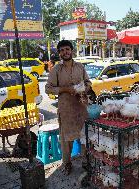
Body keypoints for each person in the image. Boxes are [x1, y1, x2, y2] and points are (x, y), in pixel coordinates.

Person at [45, 40, 91, 175]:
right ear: (59, 53)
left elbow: (88, 82)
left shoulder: (80, 67)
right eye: (62, 50)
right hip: (66, 110)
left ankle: (85, 161)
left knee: (83, 137)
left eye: (67, 49)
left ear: (72, 51)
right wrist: (65, 89)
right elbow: (48, 88)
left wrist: (83, 89)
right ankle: (67, 164)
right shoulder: (56, 69)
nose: (65, 52)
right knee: (66, 140)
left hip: (81, 108)